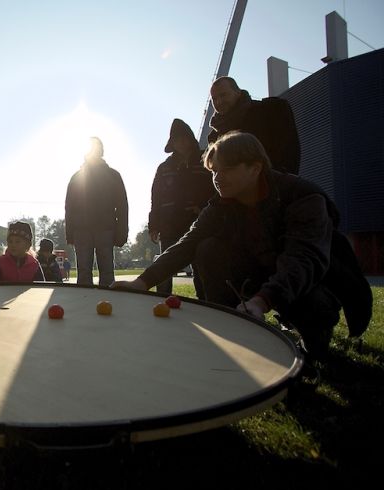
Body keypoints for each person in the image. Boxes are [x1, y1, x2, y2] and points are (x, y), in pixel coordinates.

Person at [112, 132, 372, 359]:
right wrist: (143, 282)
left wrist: (262, 300)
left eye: (227, 170)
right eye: (214, 172)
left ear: (255, 167)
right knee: (206, 247)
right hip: (261, 272)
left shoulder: (302, 197)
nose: (218, 178)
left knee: (313, 311)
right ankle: (228, 326)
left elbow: (302, 260)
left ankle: (315, 333)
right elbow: (186, 245)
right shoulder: (221, 204)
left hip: (313, 280)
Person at [149, 119, 215, 296]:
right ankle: (162, 299)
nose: (182, 143)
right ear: (173, 143)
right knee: (165, 264)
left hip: (197, 222)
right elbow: (155, 197)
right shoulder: (164, 168)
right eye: (177, 140)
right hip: (169, 223)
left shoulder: (205, 161)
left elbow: (214, 189)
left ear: (191, 139)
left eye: (185, 138)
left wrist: (202, 207)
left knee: (201, 265)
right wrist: (153, 225)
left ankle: (206, 301)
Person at [65, 137, 129, 287]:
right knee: (84, 273)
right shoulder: (76, 177)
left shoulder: (113, 176)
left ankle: (108, 304)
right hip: (83, 230)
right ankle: (84, 306)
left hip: (104, 229)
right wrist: (70, 233)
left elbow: (122, 206)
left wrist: (122, 232)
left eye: (96, 149)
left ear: (101, 152)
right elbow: (69, 207)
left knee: (106, 273)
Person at [208, 76, 301, 173]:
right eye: (214, 99)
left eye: (223, 95)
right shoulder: (214, 136)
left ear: (237, 92)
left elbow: (289, 151)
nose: (219, 102)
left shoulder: (271, 110)